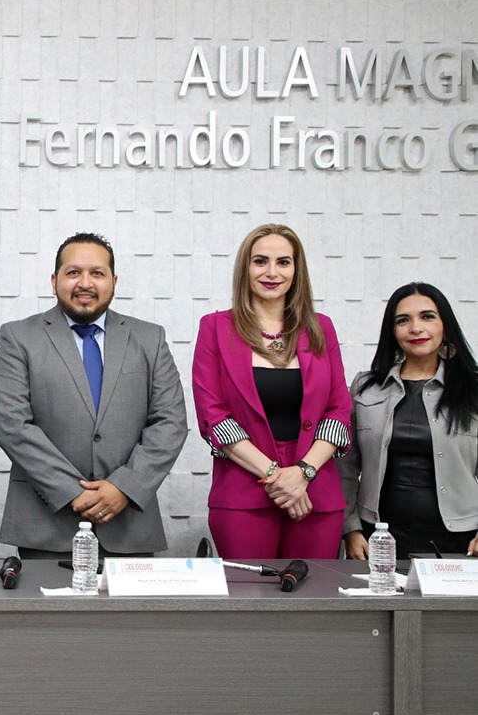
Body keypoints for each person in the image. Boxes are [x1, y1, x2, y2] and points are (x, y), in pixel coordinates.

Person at [0, 232, 187, 558]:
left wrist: (124, 487)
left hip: (129, 524)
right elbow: (12, 425)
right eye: (73, 272)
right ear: (54, 281)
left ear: (114, 281)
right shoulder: (18, 337)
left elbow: (170, 422)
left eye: (97, 273)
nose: (85, 283)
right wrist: (71, 491)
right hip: (47, 526)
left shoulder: (150, 339)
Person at [192, 224, 351, 560]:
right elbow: (213, 416)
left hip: (316, 494)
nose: (272, 272)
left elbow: (338, 410)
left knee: (314, 591)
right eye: (260, 261)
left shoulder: (321, 328)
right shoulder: (215, 328)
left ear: (296, 271)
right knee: (250, 592)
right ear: (245, 268)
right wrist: (277, 477)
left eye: (283, 262)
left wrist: (303, 473)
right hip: (242, 494)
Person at [340, 282, 478, 559]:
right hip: (377, 536)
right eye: (403, 320)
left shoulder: (472, 388)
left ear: (445, 326)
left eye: (427, 317)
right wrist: (350, 529)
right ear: (392, 332)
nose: (415, 328)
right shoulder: (365, 387)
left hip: (460, 539)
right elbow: (344, 466)